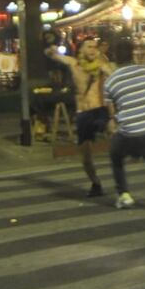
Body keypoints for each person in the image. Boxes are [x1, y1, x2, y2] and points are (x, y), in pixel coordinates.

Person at [104, 39, 145, 213]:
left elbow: (112, 112)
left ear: (115, 57)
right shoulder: (144, 72)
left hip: (128, 133)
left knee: (116, 156)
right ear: (132, 54)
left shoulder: (110, 82)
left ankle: (124, 194)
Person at [45, 38, 113, 197]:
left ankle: (121, 177)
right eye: (89, 46)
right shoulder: (73, 63)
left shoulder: (101, 65)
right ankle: (96, 183)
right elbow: (52, 55)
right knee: (85, 156)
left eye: (94, 47)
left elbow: (115, 77)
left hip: (99, 110)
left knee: (114, 134)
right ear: (81, 49)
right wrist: (51, 51)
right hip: (83, 113)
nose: (92, 49)